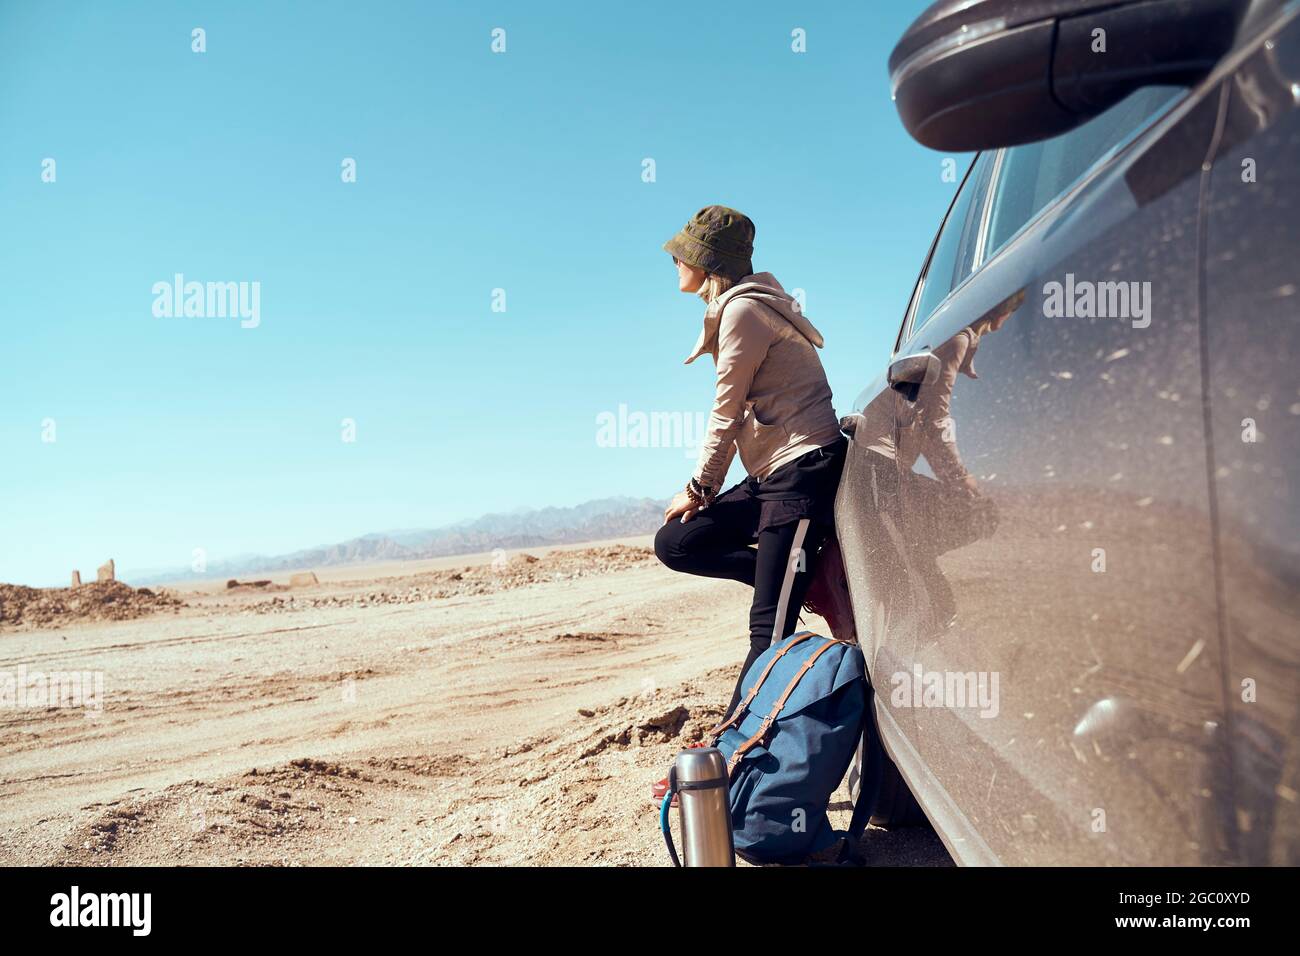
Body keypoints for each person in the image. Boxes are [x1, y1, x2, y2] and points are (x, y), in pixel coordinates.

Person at [653, 204, 848, 746]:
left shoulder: (743, 313)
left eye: (680, 255)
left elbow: (726, 410)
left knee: (770, 629)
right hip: (770, 473)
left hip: (801, 469)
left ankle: (732, 742)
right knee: (677, 541)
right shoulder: (738, 308)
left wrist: (700, 488)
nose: (673, 263)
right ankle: (800, 577)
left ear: (706, 263)